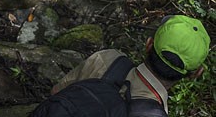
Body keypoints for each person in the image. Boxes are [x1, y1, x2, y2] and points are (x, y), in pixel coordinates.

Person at [40, 15, 210, 116]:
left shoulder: (108, 59)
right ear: (194, 73)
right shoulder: (154, 112)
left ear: (149, 45)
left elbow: (56, 93)